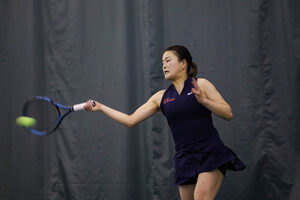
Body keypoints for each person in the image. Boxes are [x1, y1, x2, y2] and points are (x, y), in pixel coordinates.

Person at [84, 45, 245, 200]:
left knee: (201, 197)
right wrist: (100, 107)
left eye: (168, 60)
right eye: (162, 62)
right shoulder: (160, 97)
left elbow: (228, 113)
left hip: (210, 152)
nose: (164, 66)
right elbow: (130, 120)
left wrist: (204, 101)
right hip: (184, 158)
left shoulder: (201, 84)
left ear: (183, 64)